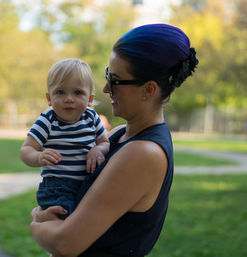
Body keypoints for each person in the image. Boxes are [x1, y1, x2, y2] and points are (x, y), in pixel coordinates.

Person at [30, 24, 198, 257]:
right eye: (109, 74)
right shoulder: (117, 136)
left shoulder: (143, 153)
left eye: (116, 80)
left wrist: (35, 221)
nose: (106, 88)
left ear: (148, 90)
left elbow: (65, 243)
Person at [20, 58, 110, 218]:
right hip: (57, 187)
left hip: (88, 183)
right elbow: (26, 150)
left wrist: (98, 149)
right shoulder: (48, 120)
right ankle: (43, 217)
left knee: (92, 217)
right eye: (60, 92)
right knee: (68, 218)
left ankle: (42, 217)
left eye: (77, 92)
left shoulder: (92, 118)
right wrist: (39, 156)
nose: (69, 98)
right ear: (49, 98)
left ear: (90, 99)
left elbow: (105, 142)